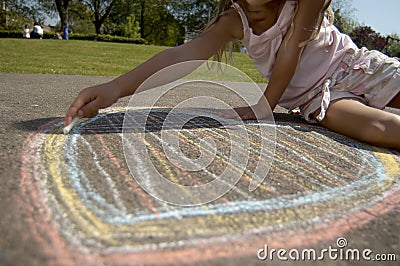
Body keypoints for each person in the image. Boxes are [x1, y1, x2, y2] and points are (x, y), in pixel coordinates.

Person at [65, 0, 400, 150]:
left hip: (355, 66)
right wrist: (115, 88)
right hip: (318, 100)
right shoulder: (234, 21)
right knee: (383, 129)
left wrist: (262, 107)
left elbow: (291, 50)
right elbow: (182, 54)